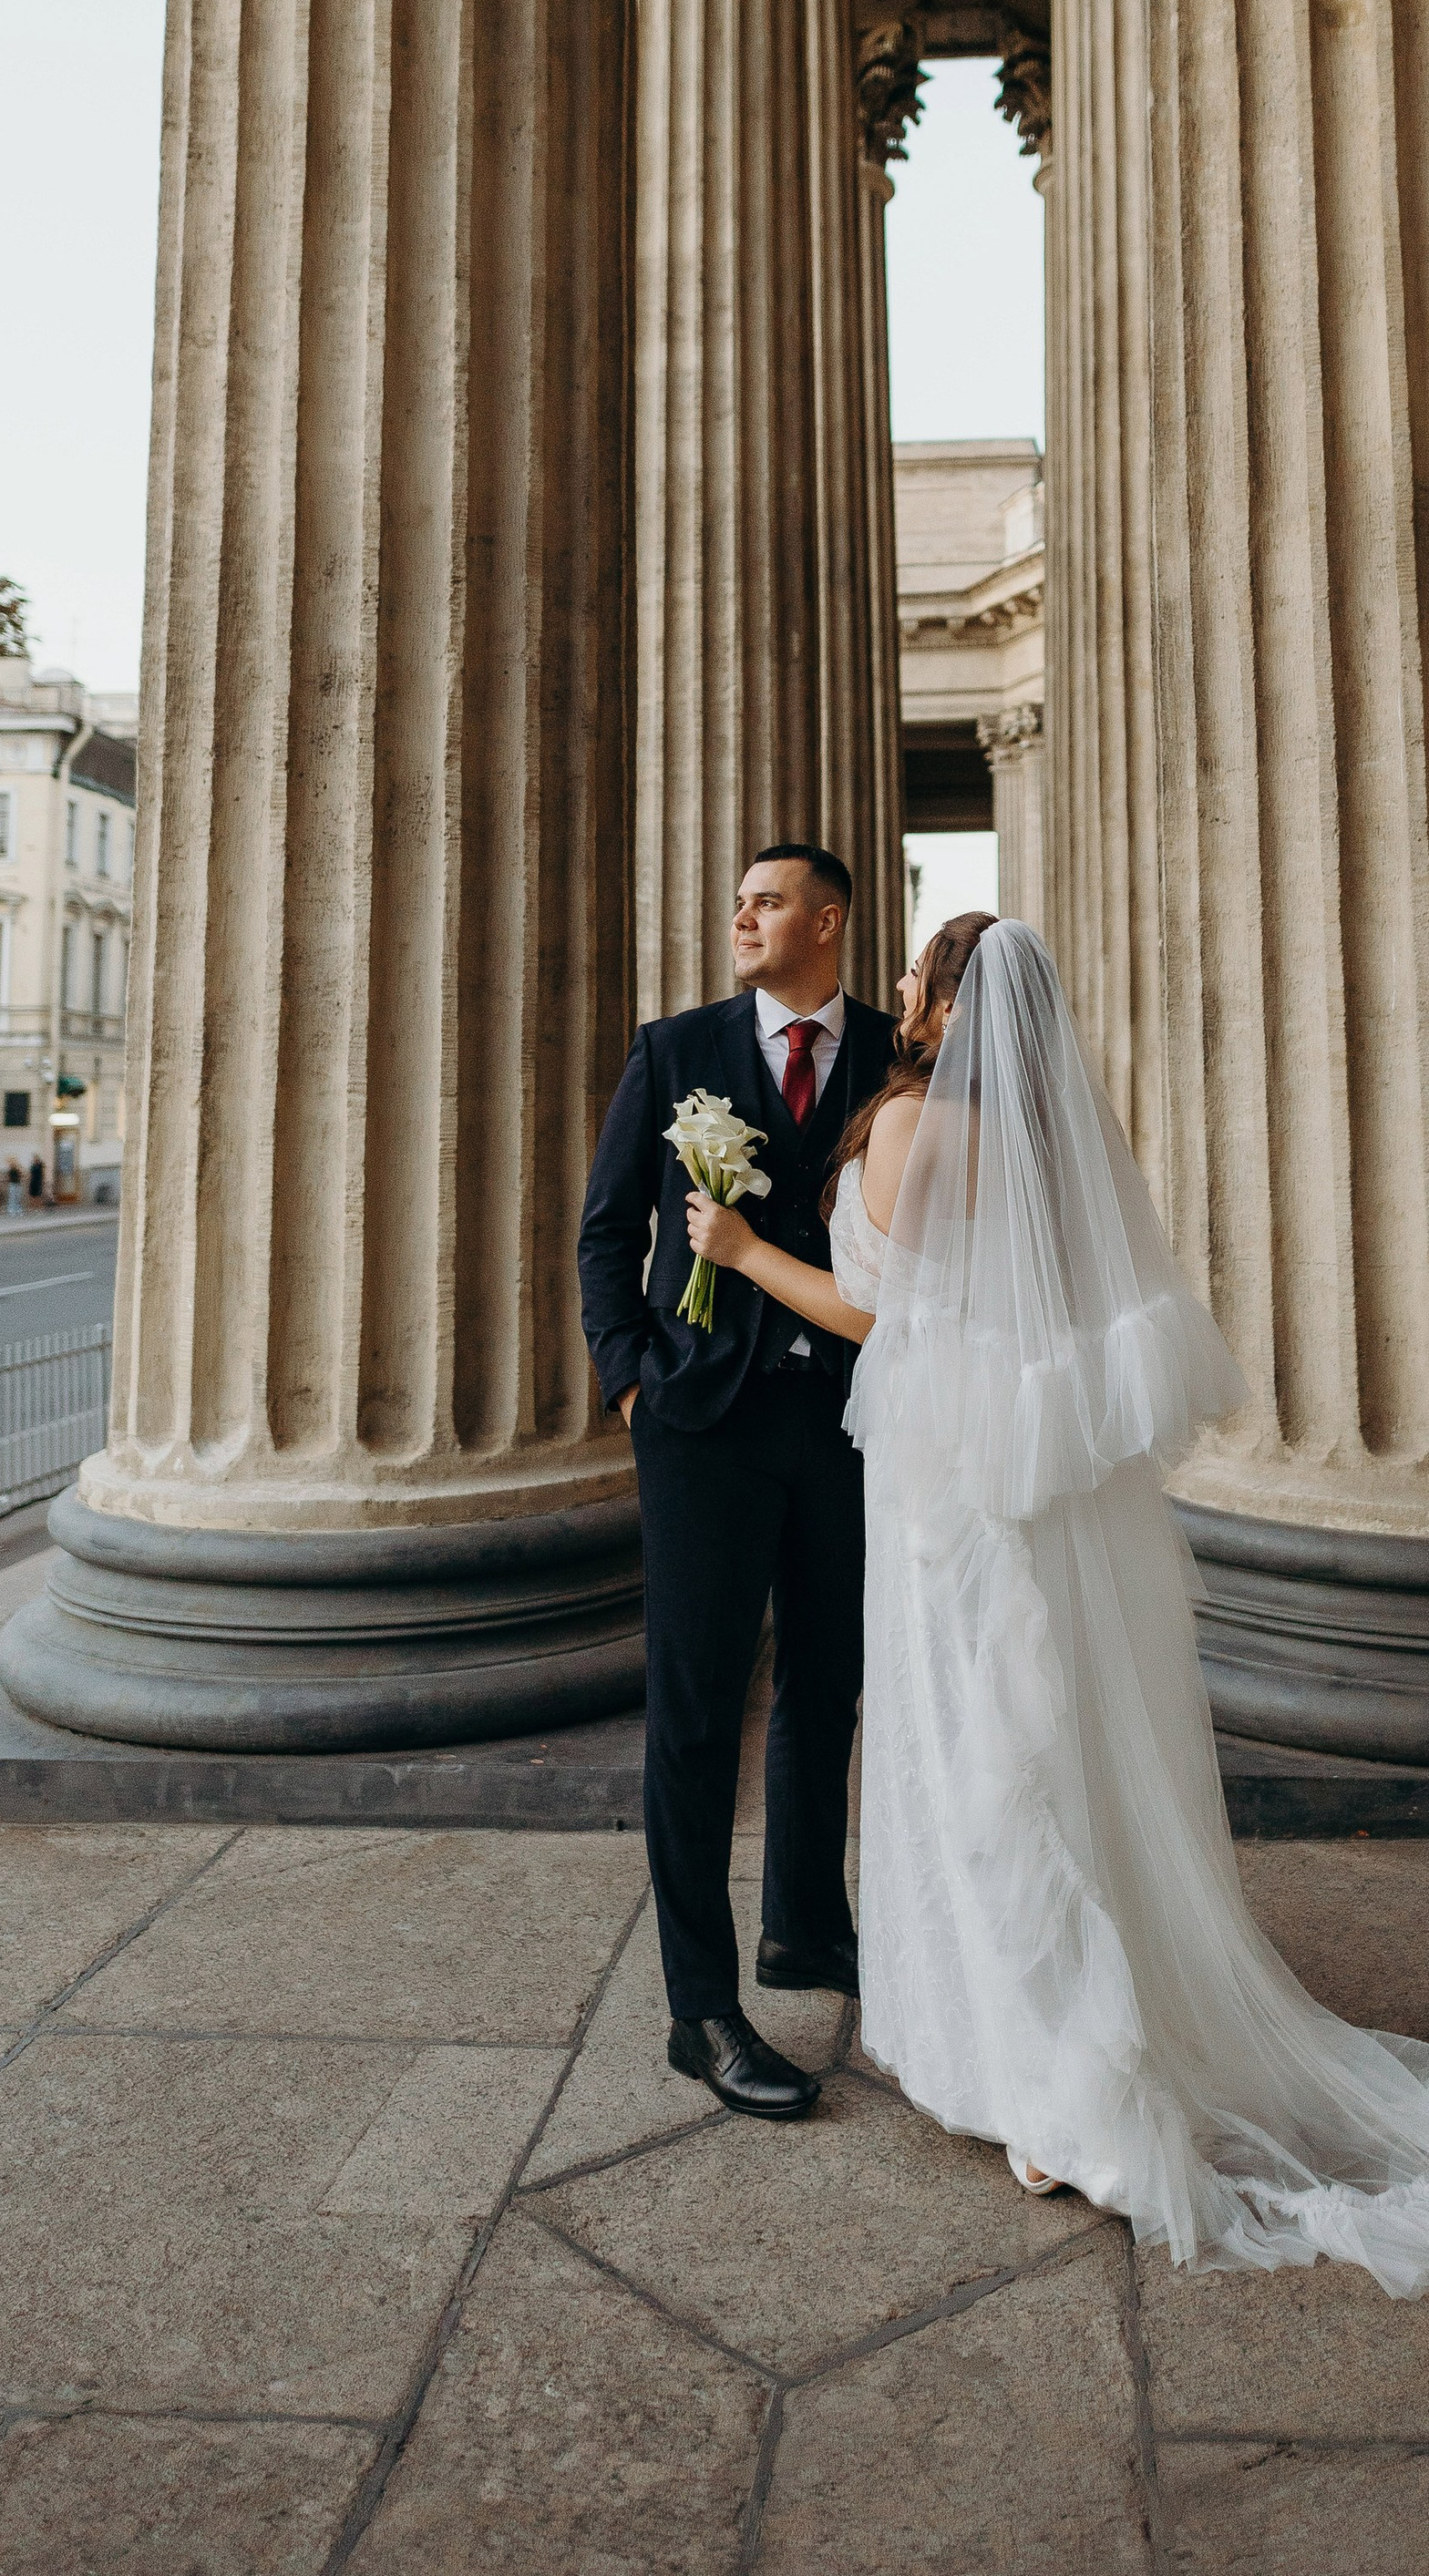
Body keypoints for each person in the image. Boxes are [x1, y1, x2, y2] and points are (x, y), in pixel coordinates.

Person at [684, 914, 1429, 2295]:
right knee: (1045, 1750)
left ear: (948, 1001)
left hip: (945, 1493)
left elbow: (893, 1320)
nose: (893, 997)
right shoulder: (1053, 1146)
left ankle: (1056, 2087)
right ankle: (1062, 2047)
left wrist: (745, 1252)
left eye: (911, 980)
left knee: (979, 1763)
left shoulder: (909, 1130)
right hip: (1032, 1483)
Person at [577, 846, 895, 2124]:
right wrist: (630, 1381)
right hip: (700, 1421)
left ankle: (806, 1930)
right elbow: (609, 1229)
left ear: (828, 922)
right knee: (699, 1710)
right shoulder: (675, 1048)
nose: (741, 918)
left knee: (830, 1683)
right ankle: (699, 2007)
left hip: (849, 1420)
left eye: (767, 902)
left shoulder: (890, 1054)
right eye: (738, 903)